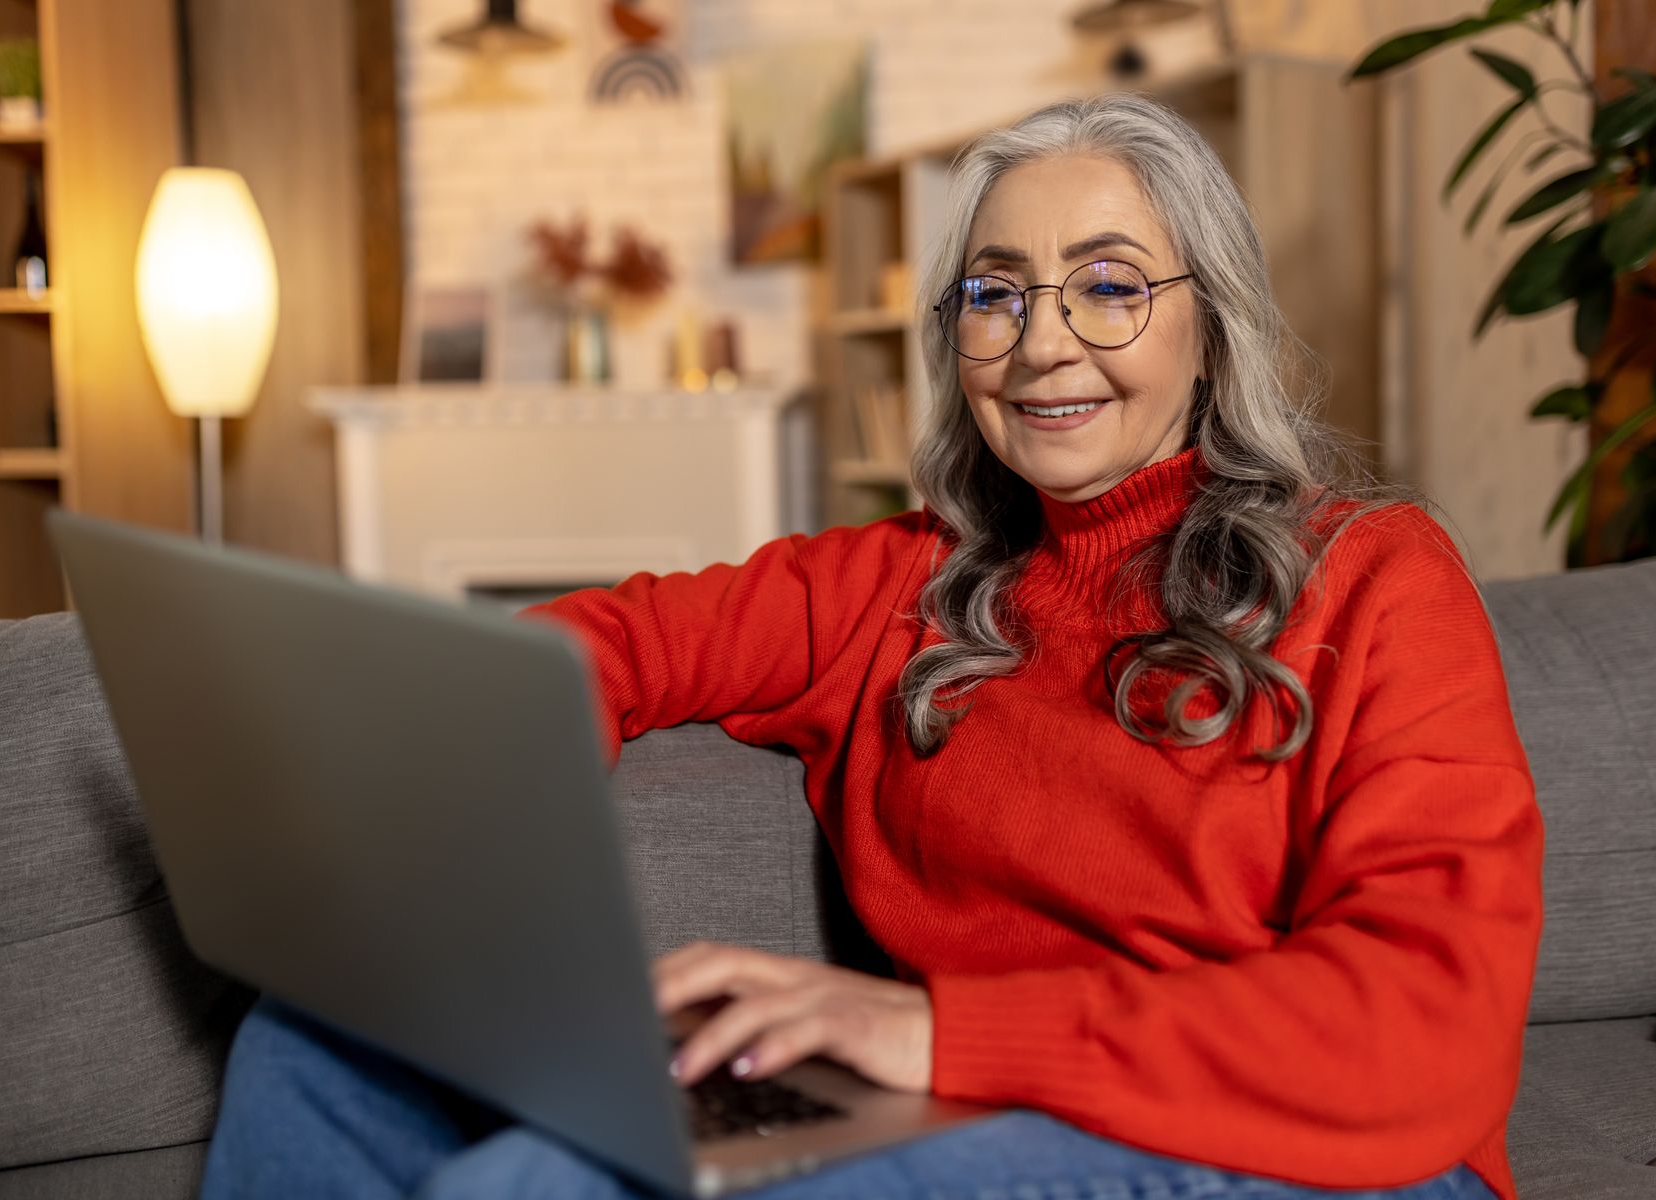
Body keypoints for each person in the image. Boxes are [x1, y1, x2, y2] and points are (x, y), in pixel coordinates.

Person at [200, 93, 1541, 1200]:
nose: (1042, 342)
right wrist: (473, 766)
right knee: (319, 1040)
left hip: (1313, 1155)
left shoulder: (1370, 575)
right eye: (994, 294)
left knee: (538, 1193)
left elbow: (1430, 1020)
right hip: (970, 1109)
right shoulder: (908, 582)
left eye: (1111, 287)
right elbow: (616, 639)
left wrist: (941, 1030)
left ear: (1211, 326)